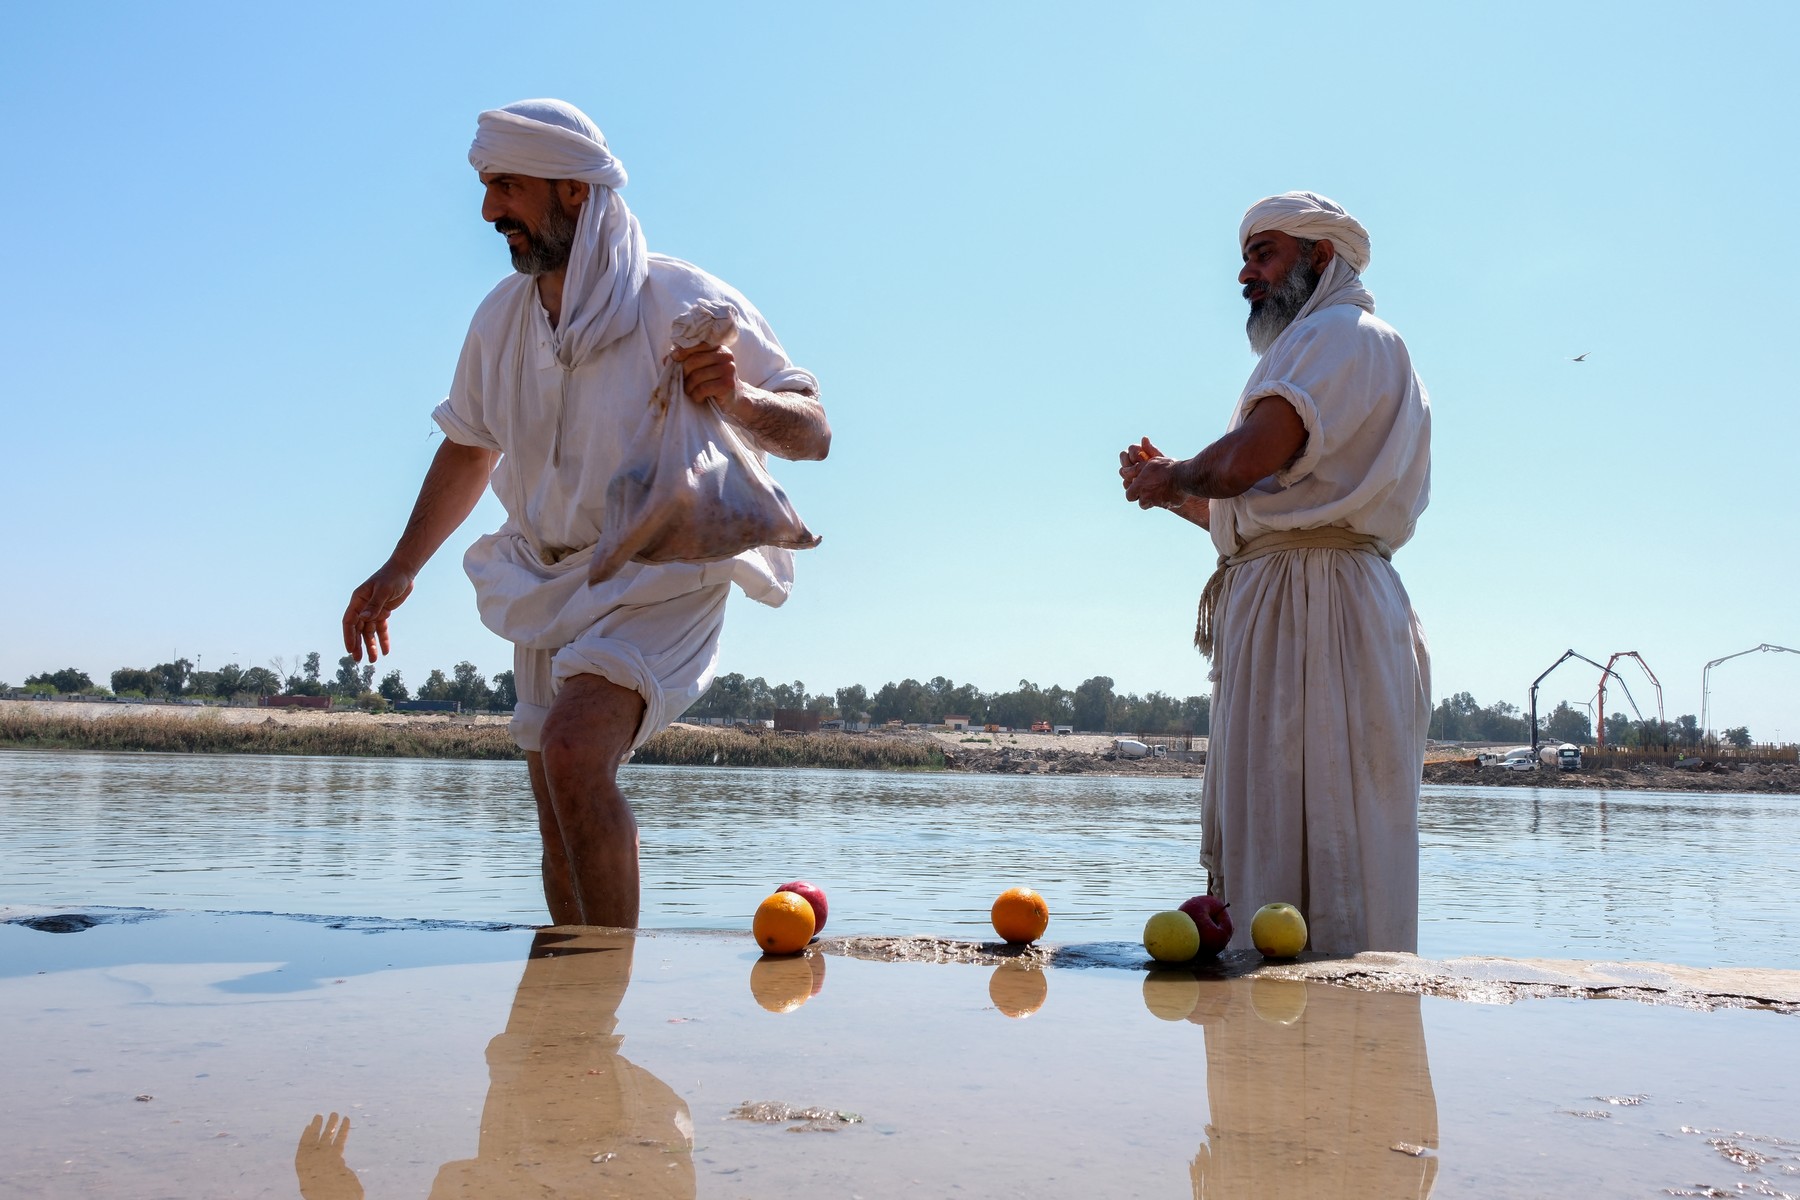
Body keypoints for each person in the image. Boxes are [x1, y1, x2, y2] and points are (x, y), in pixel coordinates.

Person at [342, 99, 828, 929]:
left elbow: (812, 430)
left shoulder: (678, 298)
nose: (490, 211)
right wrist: (399, 568)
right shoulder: (501, 319)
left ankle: (600, 993)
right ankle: (573, 1013)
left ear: (574, 191)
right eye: (488, 188)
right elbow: (469, 447)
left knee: (572, 752)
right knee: (553, 795)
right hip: (547, 576)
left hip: (662, 576)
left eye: (506, 187)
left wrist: (737, 396)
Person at [1119, 191, 1430, 954]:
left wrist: (1181, 473)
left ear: (1320, 256)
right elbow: (1265, 515)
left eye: (1265, 255)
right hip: (1302, 595)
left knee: (1327, 821)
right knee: (1282, 823)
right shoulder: (1321, 343)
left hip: (1321, 613)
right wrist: (1174, 493)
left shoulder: (1340, 333)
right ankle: (1285, 1054)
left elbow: (1248, 461)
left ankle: (1340, 1032)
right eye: (1246, 257)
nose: (1245, 275)